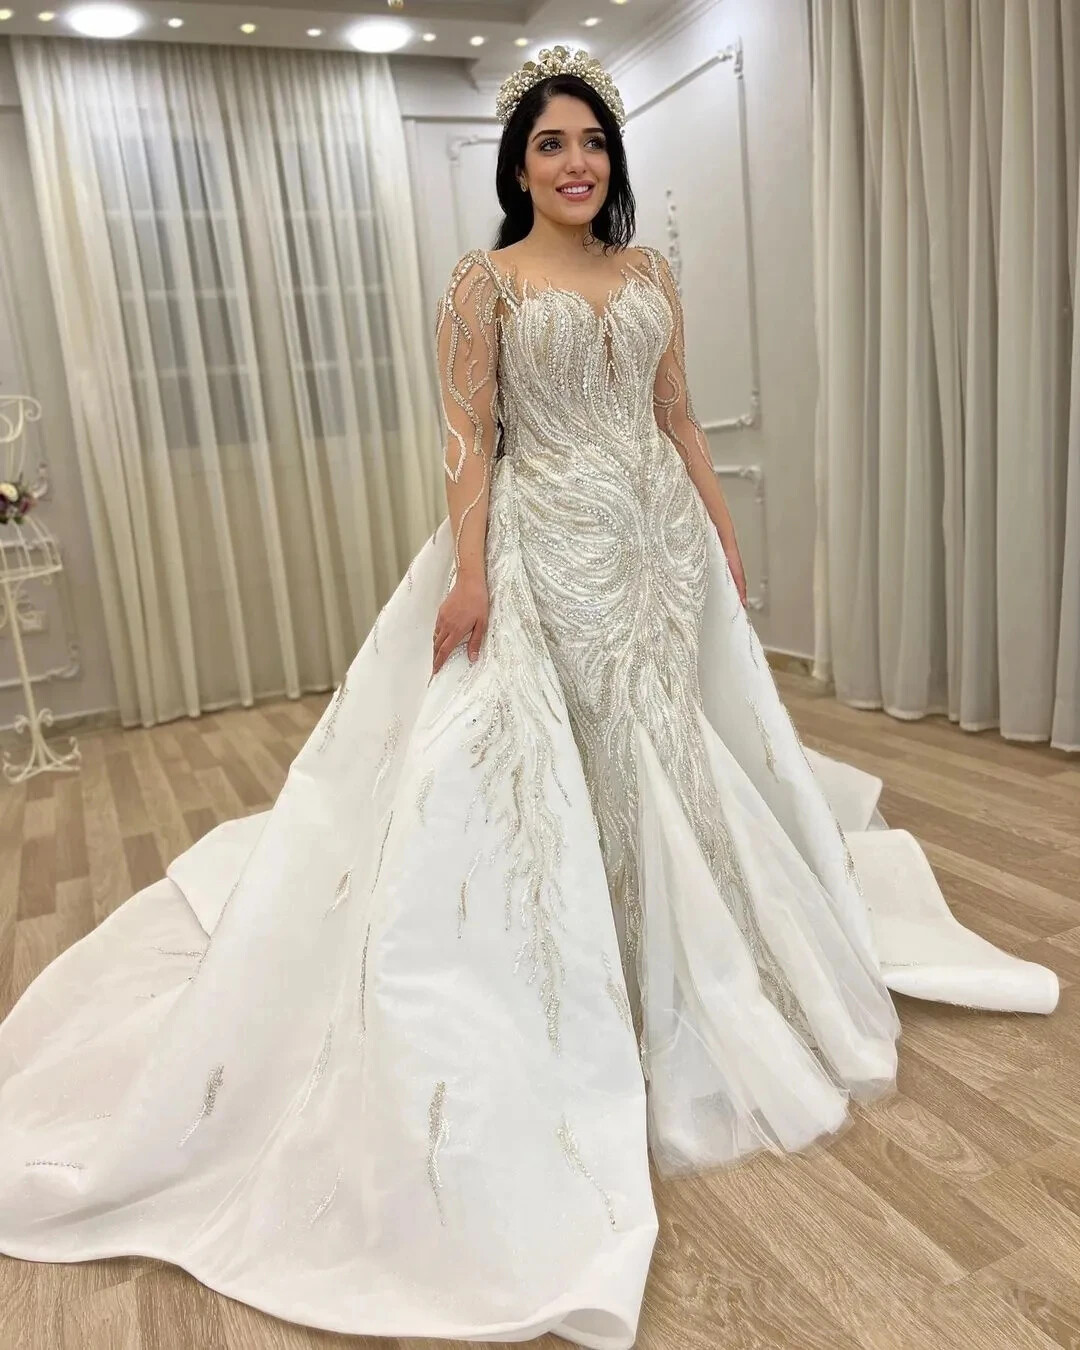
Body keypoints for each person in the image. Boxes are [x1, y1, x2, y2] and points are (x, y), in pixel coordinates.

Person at [0, 46, 1059, 1350]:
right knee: (572, 763)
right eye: (552, 143)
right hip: (547, 544)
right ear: (516, 165)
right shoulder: (484, 282)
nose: (576, 163)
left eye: (593, 143)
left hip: (656, 545)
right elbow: (470, 441)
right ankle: (577, 988)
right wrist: (471, 571)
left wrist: (722, 536)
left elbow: (677, 418)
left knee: (672, 751)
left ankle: (701, 967)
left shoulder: (649, 273)